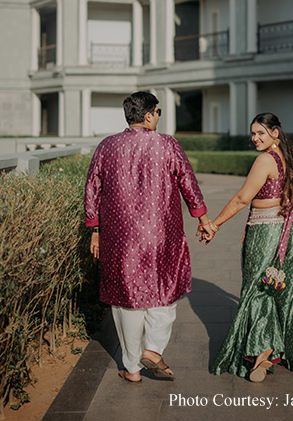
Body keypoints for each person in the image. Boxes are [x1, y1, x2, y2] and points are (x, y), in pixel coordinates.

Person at [84, 91, 215, 383]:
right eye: (158, 113)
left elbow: (92, 188)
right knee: (164, 288)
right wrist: (203, 218)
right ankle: (153, 349)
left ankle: (131, 368)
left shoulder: (107, 146)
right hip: (161, 233)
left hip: (121, 236)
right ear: (148, 115)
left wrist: (95, 231)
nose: (158, 118)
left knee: (125, 299)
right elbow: (188, 182)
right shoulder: (168, 144)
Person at [201, 112, 293, 382]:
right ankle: (292, 352)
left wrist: (214, 225)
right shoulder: (291, 159)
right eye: (253, 133)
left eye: (261, 133)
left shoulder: (265, 159)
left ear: (275, 133)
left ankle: (262, 351)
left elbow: (243, 197)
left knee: (259, 287)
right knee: (286, 289)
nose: (255, 138)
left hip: (268, 230)